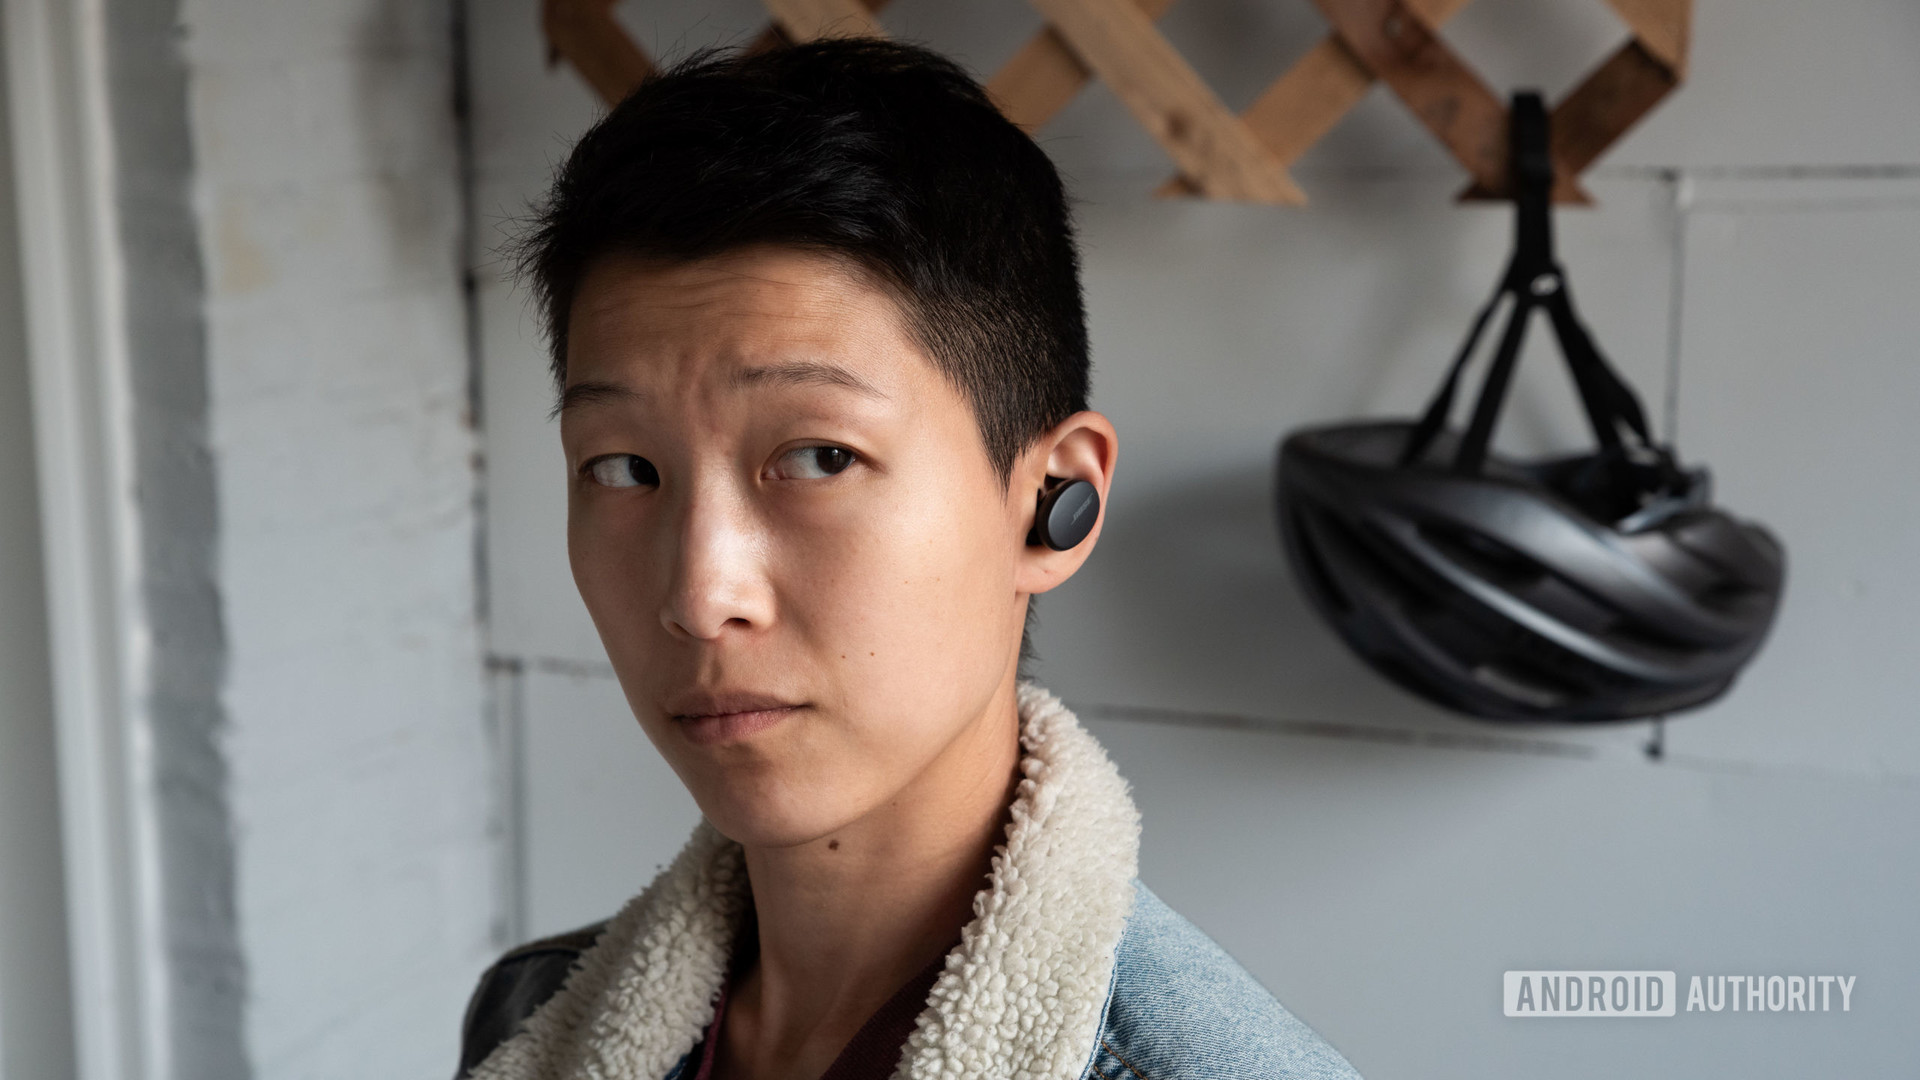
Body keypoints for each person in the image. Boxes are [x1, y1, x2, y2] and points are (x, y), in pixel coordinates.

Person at [456, 36, 1362, 1080]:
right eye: (622, 469)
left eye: (818, 456)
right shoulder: (531, 1014)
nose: (701, 596)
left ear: (1049, 500)